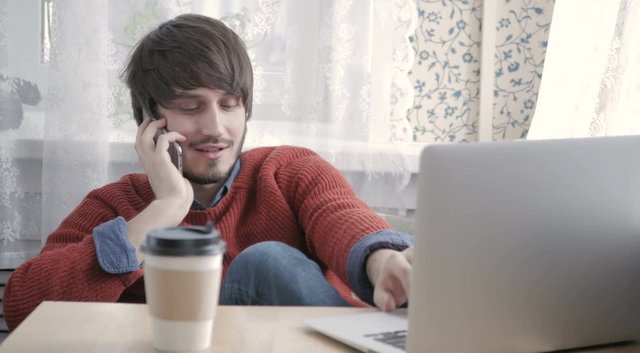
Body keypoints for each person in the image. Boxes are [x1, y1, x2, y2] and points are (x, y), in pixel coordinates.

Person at [3, 14, 413, 331]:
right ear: (150, 118)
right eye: (190, 106)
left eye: (229, 104)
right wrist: (164, 210)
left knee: (265, 264)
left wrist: (381, 261)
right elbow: (25, 308)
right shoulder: (116, 206)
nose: (216, 128)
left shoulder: (288, 171)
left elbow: (342, 218)